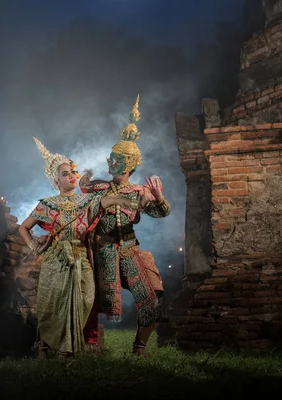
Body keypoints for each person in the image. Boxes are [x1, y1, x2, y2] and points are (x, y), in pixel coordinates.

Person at [18, 136, 139, 360]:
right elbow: (24, 228)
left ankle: (67, 345)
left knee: (85, 298)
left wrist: (121, 201)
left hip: (80, 255)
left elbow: (105, 201)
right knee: (53, 304)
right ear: (56, 182)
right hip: (56, 257)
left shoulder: (86, 201)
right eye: (65, 174)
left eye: (72, 172)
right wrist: (34, 245)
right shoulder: (47, 204)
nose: (72, 176)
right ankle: (50, 348)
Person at [80, 95, 170, 357]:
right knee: (88, 300)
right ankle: (85, 346)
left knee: (151, 302)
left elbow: (160, 213)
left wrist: (159, 198)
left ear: (129, 163)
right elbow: (83, 200)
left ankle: (139, 347)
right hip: (101, 253)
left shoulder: (140, 191)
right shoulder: (99, 187)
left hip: (129, 251)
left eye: (115, 158)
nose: (110, 162)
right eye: (110, 157)